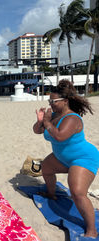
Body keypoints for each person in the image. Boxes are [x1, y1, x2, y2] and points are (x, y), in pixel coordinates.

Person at [33, 79, 99, 238]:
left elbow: (60, 136)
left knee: (77, 192)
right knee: (46, 169)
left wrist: (47, 122)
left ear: (65, 101)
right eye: (49, 100)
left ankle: (92, 229)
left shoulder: (72, 118)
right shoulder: (53, 115)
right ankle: (51, 193)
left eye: (53, 101)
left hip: (83, 158)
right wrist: (41, 120)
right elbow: (36, 130)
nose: (51, 104)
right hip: (62, 157)